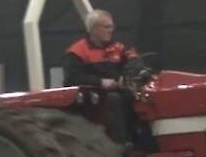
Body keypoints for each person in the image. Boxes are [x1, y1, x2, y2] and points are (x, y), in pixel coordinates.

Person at [62, 9, 148, 145]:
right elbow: (72, 79)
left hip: (116, 91)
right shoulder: (76, 52)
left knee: (138, 97)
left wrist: (130, 74)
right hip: (92, 98)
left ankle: (143, 140)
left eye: (112, 27)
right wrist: (101, 82)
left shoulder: (118, 47)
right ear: (93, 29)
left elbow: (134, 60)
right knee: (114, 99)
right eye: (106, 27)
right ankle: (121, 143)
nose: (111, 30)